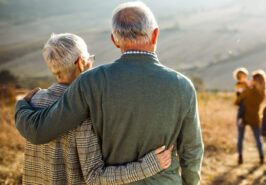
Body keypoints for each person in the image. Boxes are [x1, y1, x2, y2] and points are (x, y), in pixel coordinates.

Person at [15, 2, 203, 185]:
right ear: (155, 35)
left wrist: (22, 105)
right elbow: (192, 151)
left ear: (114, 40)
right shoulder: (182, 86)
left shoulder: (90, 81)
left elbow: (41, 131)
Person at [22, 33, 172, 185]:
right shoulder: (86, 109)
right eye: (90, 59)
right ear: (81, 63)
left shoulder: (33, 100)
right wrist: (148, 166)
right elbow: (94, 177)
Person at [234, 70, 266, 165]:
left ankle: (240, 157)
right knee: (258, 139)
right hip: (255, 117)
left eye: (252, 79)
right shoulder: (263, 93)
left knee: (240, 137)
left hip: (243, 116)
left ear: (255, 80)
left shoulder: (248, 90)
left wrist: (246, 88)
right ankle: (261, 157)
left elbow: (237, 101)